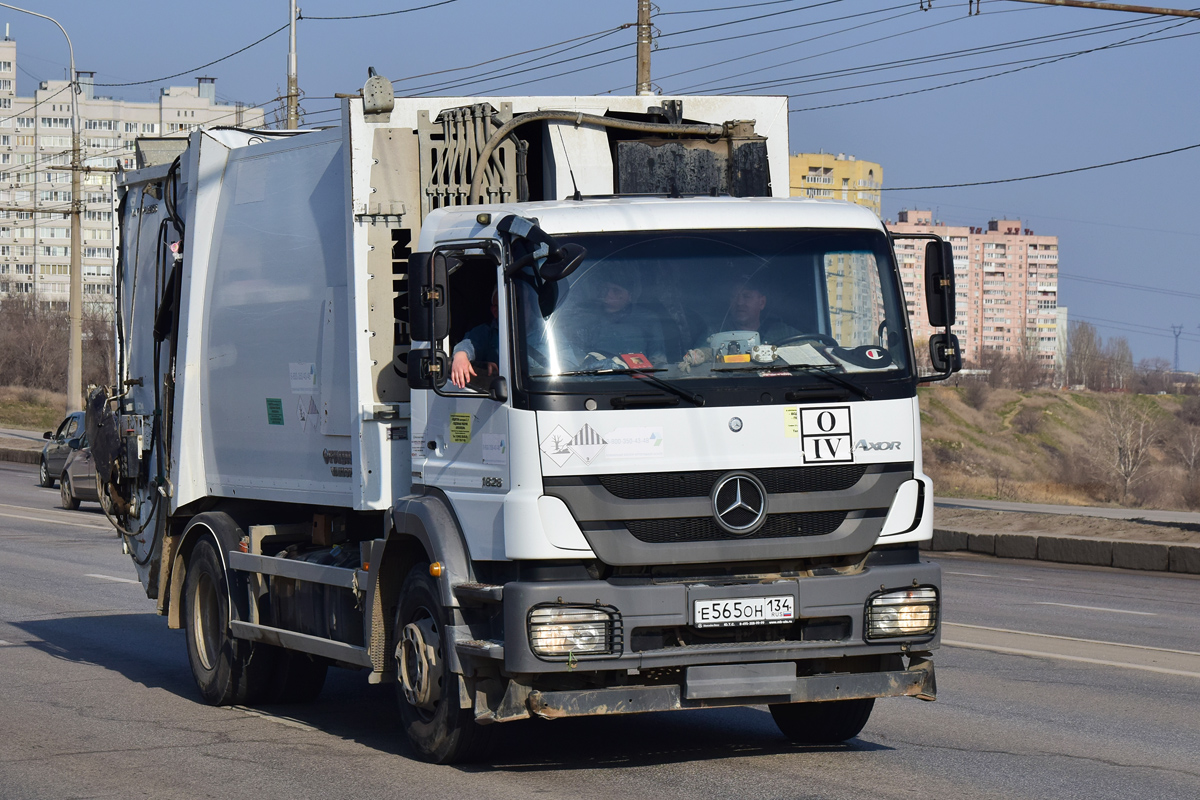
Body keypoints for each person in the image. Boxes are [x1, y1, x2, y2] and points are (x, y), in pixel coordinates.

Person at [570, 266, 666, 366]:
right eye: (605, 289)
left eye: (616, 291)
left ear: (630, 296)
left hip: (639, 380)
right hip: (593, 379)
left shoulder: (648, 319)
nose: (608, 295)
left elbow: (658, 361)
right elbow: (575, 357)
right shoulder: (587, 318)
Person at [450, 288, 500, 389]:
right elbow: (470, 343)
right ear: (495, 311)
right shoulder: (486, 332)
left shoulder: (541, 332)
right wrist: (461, 355)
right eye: (516, 302)